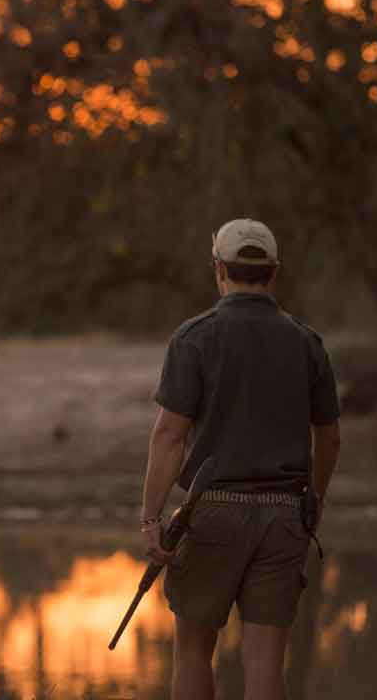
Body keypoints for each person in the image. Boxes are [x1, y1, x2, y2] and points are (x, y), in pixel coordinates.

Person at [139, 219, 341, 700]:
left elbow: (169, 434)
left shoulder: (194, 337)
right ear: (273, 272)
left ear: (218, 269)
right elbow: (329, 436)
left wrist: (151, 517)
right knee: (266, 661)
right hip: (284, 517)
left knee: (192, 652)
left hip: (212, 515)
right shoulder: (306, 342)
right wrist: (314, 500)